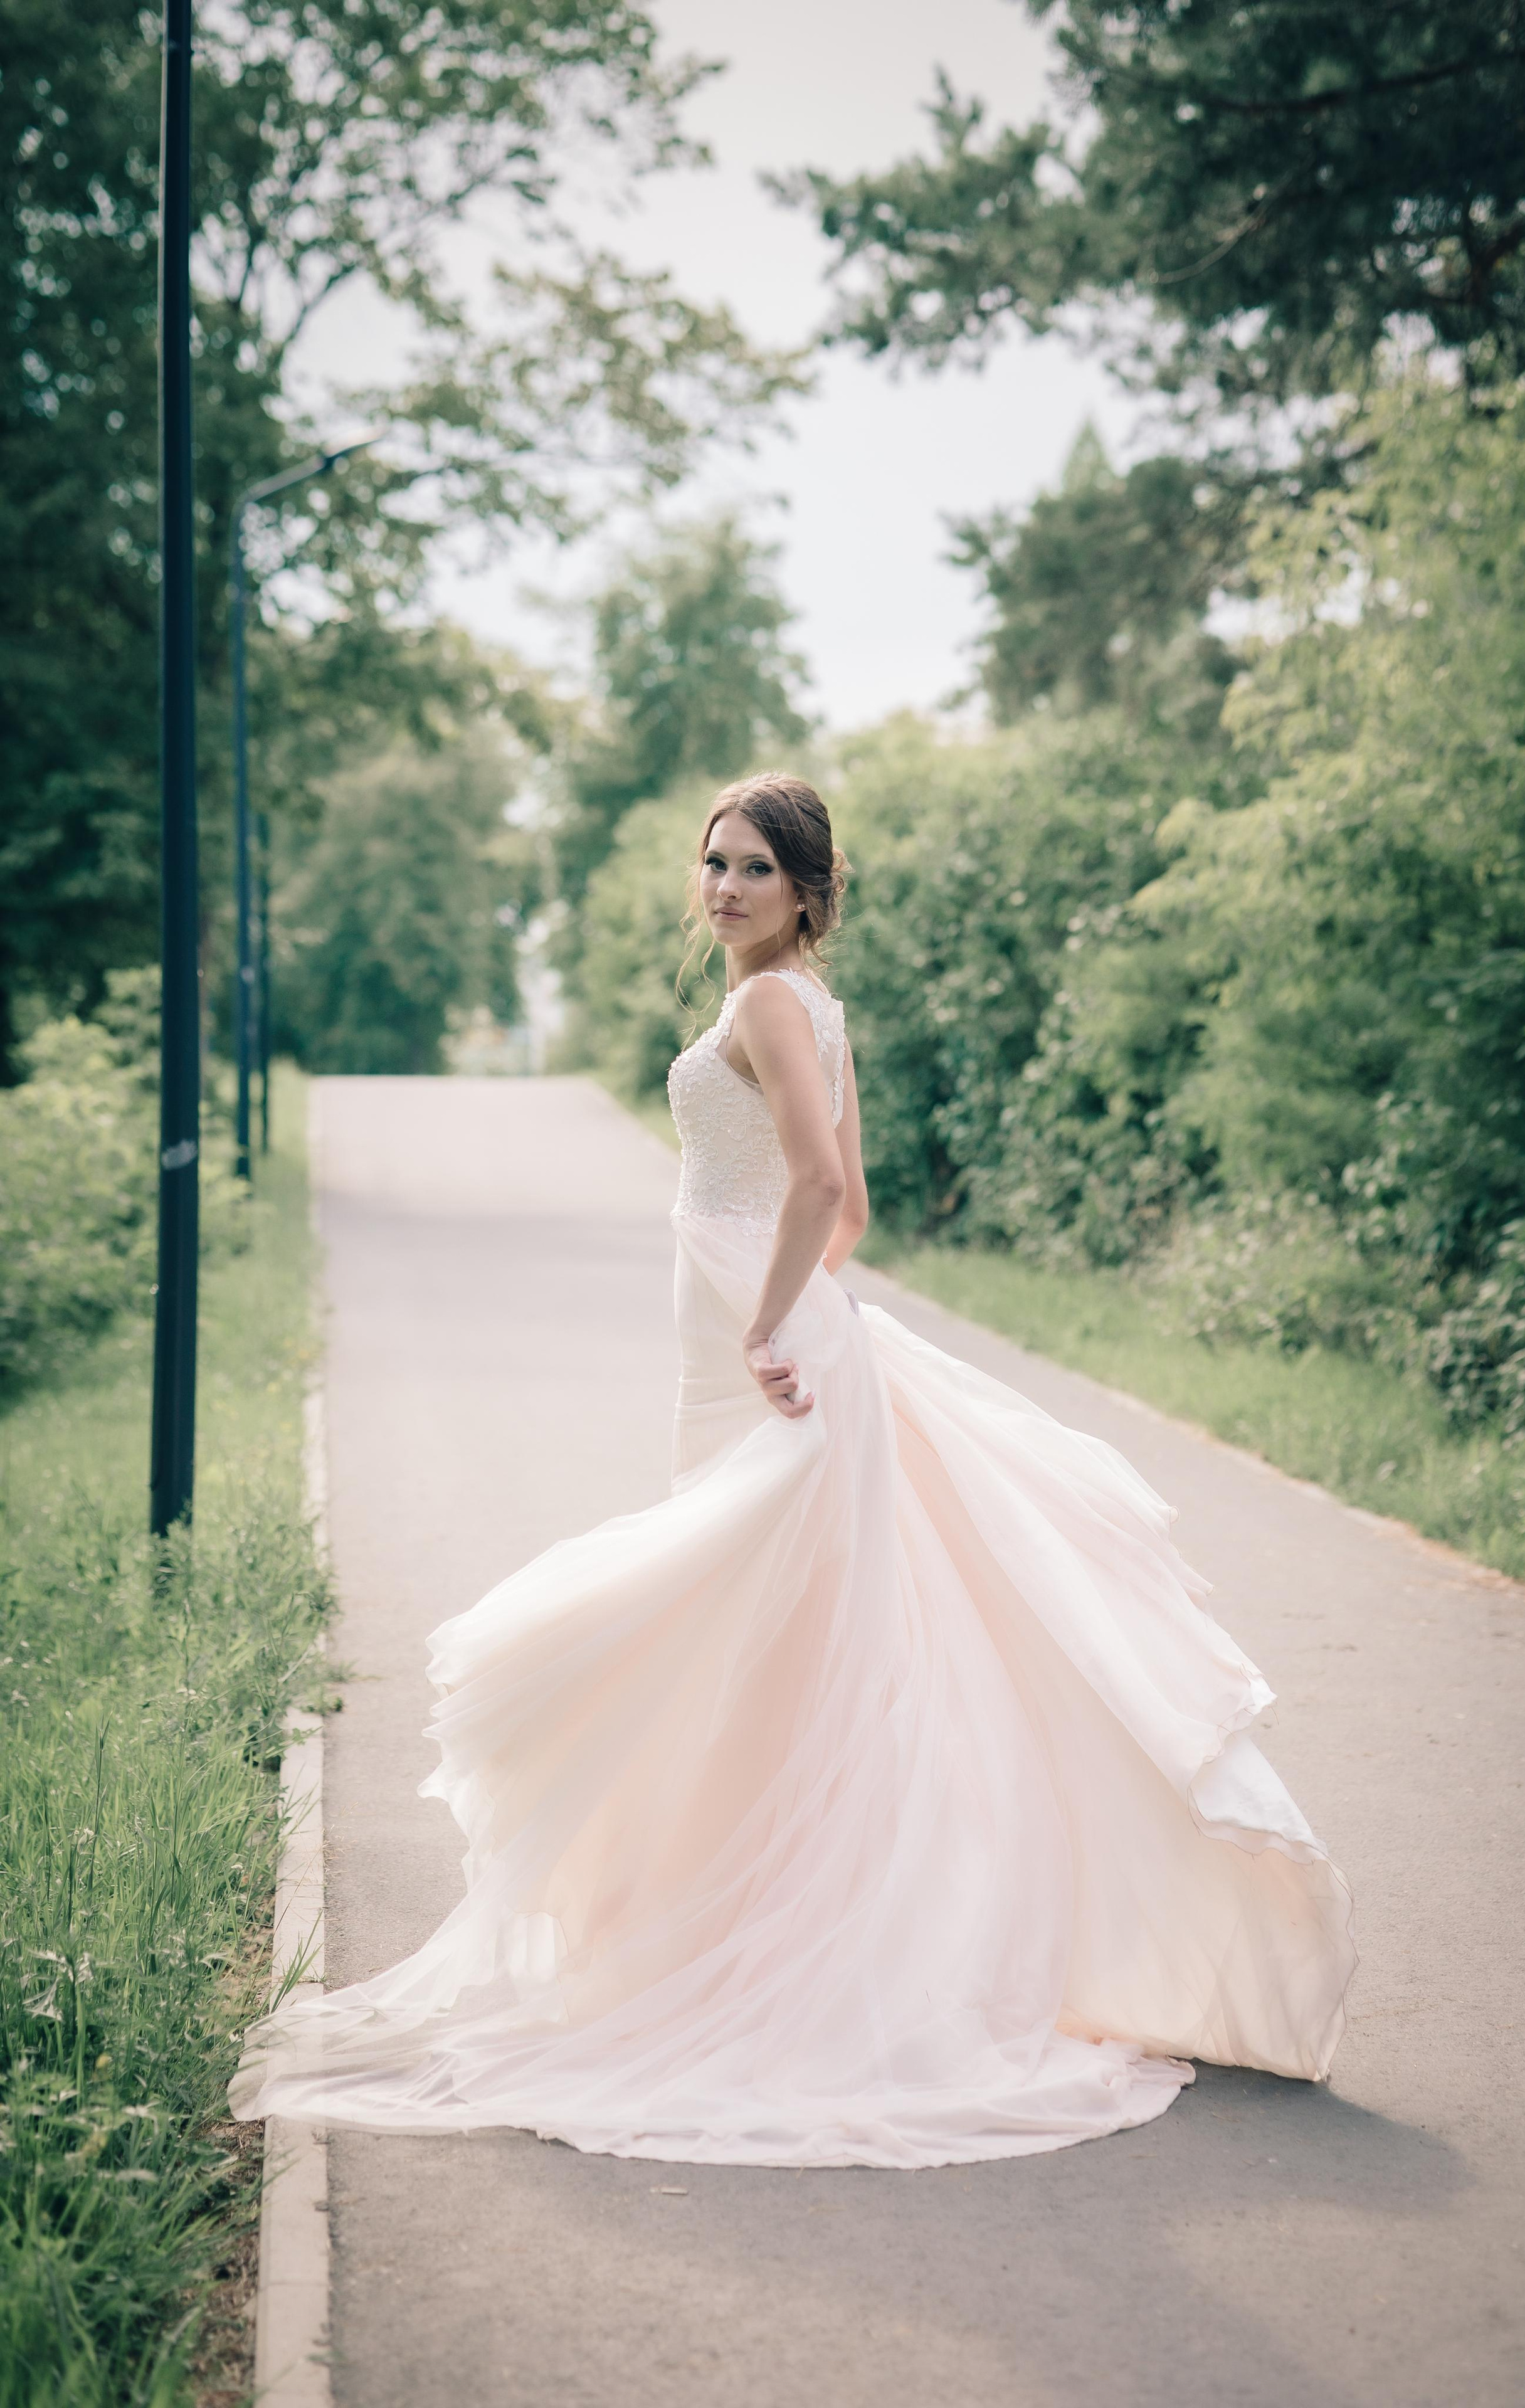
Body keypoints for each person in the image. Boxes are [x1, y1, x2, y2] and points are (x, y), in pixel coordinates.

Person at [231, 771, 1354, 2170]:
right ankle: (745, 1919)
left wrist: (762, 1324)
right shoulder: (816, 1010)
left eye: (753, 868)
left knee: (730, 1632)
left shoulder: (771, 1003)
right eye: (712, 862)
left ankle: (749, 1945)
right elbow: (849, 1203)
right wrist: (784, 1313)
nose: (722, 886)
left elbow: (823, 1194)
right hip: (770, 1342)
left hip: (757, 1351)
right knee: (778, 1648)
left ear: (807, 895)